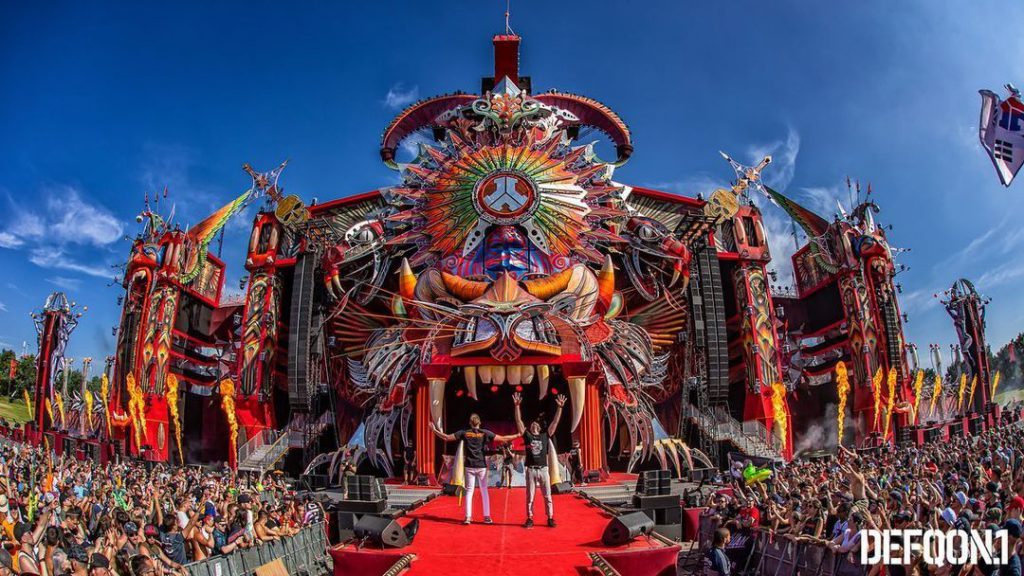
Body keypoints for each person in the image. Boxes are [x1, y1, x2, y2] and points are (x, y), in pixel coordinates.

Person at [430, 414, 519, 525]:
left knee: (469, 492)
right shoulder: (484, 433)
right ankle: (487, 517)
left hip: (469, 466)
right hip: (481, 466)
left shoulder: (464, 432)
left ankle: (468, 517)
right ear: (479, 422)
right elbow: (504, 438)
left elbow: (446, 437)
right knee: (484, 491)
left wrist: (434, 430)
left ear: (470, 423)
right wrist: (518, 434)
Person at [512, 392, 566, 528]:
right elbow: (519, 422)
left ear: (540, 428)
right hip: (531, 470)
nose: (534, 425)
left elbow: (555, 422)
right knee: (529, 497)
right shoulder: (528, 436)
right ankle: (529, 518)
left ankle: (550, 518)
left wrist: (560, 408)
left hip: (543, 469)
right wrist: (517, 406)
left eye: (536, 424)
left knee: (547, 496)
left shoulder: (545, 435)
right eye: (532, 424)